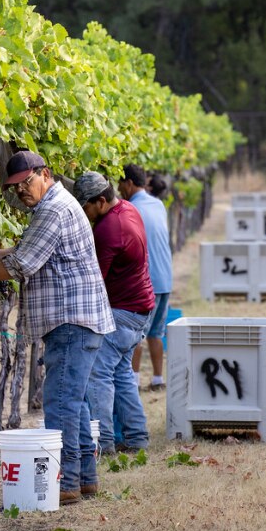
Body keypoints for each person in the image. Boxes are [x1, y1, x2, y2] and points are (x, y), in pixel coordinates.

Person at [0, 150, 114, 505]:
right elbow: (30, 250)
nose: (22, 192)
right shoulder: (55, 204)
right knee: (74, 403)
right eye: (15, 188)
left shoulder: (52, 209)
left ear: (44, 174)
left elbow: (23, 265)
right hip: (79, 321)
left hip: (71, 322)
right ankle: (85, 479)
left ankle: (67, 484)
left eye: (26, 183)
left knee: (60, 404)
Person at [74, 171, 153, 454]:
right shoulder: (128, 209)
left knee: (99, 375)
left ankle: (103, 443)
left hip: (121, 312)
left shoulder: (108, 229)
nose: (84, 212)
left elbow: (97, 281)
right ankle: (136, 438)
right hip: (140, 309)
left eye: (86, 206)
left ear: (101, 200)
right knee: (121, 374)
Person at [118, 164, 173, 392]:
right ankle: (158, 379)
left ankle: (133, 382)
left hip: (146, 281)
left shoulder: (128, 208)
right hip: (165, 278)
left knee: (135, 336)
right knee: (156, 333)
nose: (119, 189)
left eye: (120, 184)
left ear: (129, 183)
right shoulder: (158, 204)